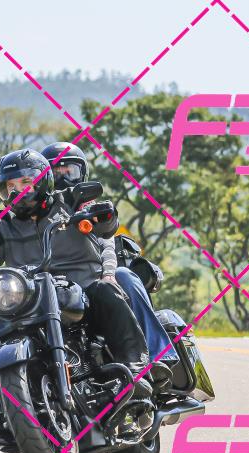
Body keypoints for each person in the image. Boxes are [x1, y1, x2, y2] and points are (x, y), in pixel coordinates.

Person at [0, 148, 153, 436]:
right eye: (10, 186)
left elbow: (105, 223)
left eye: (25, 183)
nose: (17, 191)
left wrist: (103, 216)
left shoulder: (71, 201)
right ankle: (1, 409)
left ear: (43, 181)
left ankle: (137, 371)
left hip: (83, 288)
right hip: (31, 296)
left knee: (107, 290)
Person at [40, 143, 180, 379]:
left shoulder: (91, 209)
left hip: (95, 281)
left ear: (82, 174)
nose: (64, 180)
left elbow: (107, 245)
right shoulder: (37, 213)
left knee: (125, 276)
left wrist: (108, 274)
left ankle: (158, 357)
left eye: (70, 172)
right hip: (57, 291)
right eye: (57, 173)